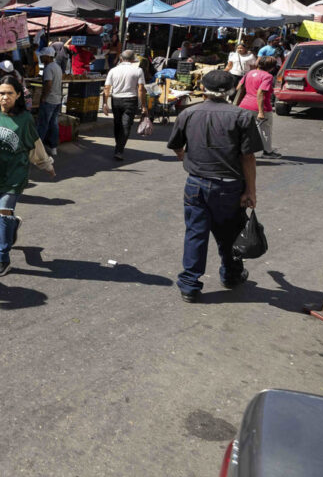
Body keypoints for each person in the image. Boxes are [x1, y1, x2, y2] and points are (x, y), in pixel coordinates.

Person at [167, 69, 262, 302]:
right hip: (229, 187)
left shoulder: (188, 113)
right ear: (231, 90)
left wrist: (189, 158)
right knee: (229, 234)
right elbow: (248, 157)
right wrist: (251, 190)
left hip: (196, 184)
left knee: (195, 234)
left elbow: (177, 146)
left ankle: (189, 285)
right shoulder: (243, 116)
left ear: (203, 88)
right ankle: (231, 274)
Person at [0, 76, 55, 277]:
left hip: (15, 175)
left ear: (18, 95)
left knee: (3, 212)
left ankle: (3, 258)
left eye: (10, 93)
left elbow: (35, 145)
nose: (5, 97)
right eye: (1, 93)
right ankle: (13, 223)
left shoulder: (25, 119)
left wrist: (47, 165)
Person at [102, 50, 148, 161]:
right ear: (133, 60)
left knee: (117, 124)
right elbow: (141, 89)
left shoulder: (113, 70)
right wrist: (143, 105)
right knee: (126, 125)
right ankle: (119, 149)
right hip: (130, 100)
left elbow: (106, 88)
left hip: (116, 100)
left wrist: (104, 103)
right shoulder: (138, 70)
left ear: (121, 59)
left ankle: (119, 146)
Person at [236, 56, 281, 158]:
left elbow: (239, 87)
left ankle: (239, 150)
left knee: (243, 130)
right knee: (265, 130)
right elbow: (260, 93)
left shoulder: (249, 73)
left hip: (244, 105)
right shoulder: (268, 76)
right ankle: (268, 152)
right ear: (272, 67)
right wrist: (261, 112)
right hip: (261, 107)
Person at [35, 47, 63, 157]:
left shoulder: (48, 69)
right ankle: (53, 147)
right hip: (57, 100)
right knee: (53, 124)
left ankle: (38, 149)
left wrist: (43, 97)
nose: (41, 58)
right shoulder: (57, 67)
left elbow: (48, 84)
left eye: (42, 56)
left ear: (47, 56)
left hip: (49, 100)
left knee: (43, 124)